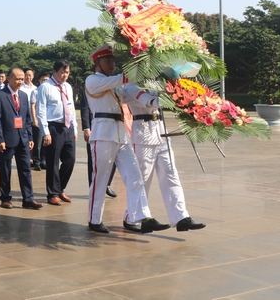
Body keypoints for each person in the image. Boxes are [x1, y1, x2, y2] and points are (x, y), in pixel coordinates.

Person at [84, 44, 168, 234]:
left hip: (120, 134)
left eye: (113, 60)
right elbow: (122, 79)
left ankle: (142, 217)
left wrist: (159, 98)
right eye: (107, 60)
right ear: (97, 63)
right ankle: (94, 219)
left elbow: (134, 96)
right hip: (103, 133)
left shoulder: (115, 86)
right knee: (101, 179)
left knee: (135, 175)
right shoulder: (93, 80)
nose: (112, 63)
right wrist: (144, 62)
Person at [121, 83, 205, 232]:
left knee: (171, 175)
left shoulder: (157, 82)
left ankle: (181, 217)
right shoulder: (130, 86)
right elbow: (148, 100)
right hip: (143, 135)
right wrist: (177, 98)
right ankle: (131, 216)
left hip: (161, 132)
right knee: (143, 179)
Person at [0, 67, 42, 210]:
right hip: (7, 140)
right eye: (17, 79)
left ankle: (28, 198)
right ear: (9, 79)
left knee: (26, 169)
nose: (20, 81)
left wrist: (30, 137)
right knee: (5, 170)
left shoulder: (24, 96)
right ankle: (6, 198)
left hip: (23, 139)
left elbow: (27, 119)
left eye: (22, 79)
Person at [35, 59, 78, 206]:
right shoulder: (45, 87)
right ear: (55, 72)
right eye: (62, 72)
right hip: (53, 127)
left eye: (67, 72)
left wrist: (75, 128)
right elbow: (40, 110)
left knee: (70, 160)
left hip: (67, 127)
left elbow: (70, 107)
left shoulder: (68, 87)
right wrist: (45, 132)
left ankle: (60, 188)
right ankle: (52, 193)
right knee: (53, 161)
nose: (65, 75)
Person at [80, 84, 117, 198]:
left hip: (112, 126)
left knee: (114, 157)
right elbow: (85, 108)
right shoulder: (90, 86)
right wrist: (86, 128)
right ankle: (94, 186)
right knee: (94, 160)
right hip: (95, 127)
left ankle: (107, 184)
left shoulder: (113, 85)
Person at [30, 72, 50, 172]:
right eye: (43, 80)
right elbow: (33, 106)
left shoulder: (50, 91)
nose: (45, 82)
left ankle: (43, 161)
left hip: (48, 121)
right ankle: (36, 162)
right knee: (37, 143)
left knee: (45, 143)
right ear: (39, 81)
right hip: (38, 120)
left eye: (47, 80)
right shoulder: (36, 91)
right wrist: (35, 119)